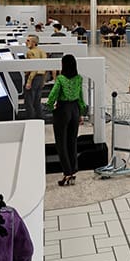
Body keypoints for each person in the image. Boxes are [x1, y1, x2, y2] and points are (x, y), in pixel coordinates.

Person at [47, 54, 87, 186]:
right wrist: (81, 112)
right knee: (72, 141)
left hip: (62, 110)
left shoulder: (61, 79)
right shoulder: (79, 78)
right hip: (75, 109)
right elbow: (81, 97)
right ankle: (73, 171)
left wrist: (49, 106)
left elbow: (53, 94)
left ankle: (67, 172)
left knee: (61, 143)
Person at [23, 35, 47, 120]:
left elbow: (34, 67)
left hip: (33, 78)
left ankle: (31, 119)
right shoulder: (42, 51)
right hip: (40, 78)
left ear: (34, 43)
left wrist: (29, 81)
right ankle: (40, 117)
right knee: (37, 100)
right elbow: (45, 67)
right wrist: (43, 80)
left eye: (28, 40)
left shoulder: (30, 52)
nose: (26, 42)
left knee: (29, 101)